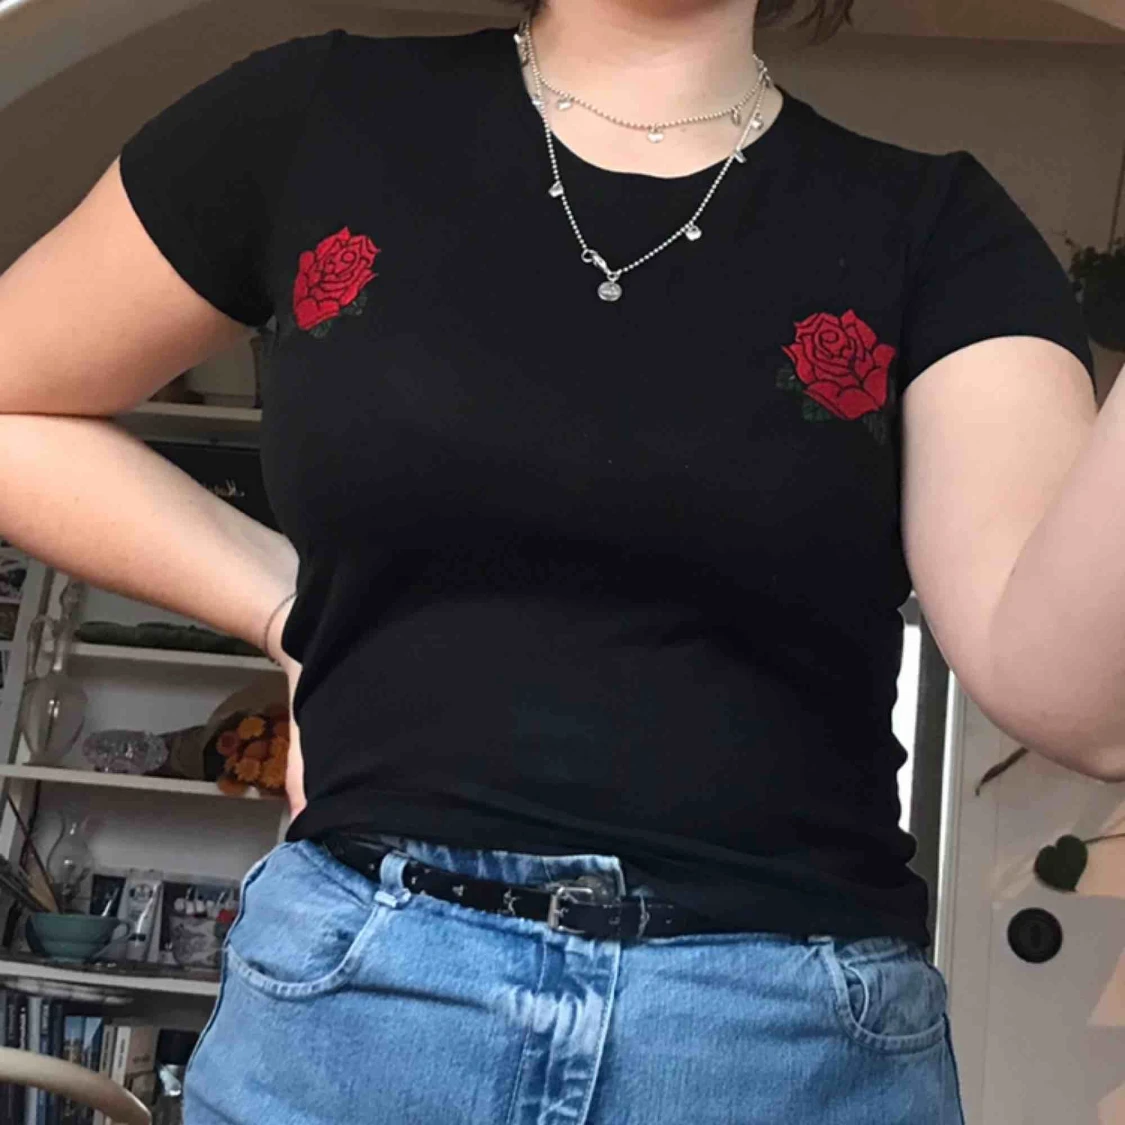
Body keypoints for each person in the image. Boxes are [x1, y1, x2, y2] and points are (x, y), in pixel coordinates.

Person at [1, 0, 1122, 1120]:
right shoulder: (310, 116)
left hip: (783, 1048)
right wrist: (279, 607)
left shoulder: (941, 230)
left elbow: (1079, 703)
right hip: (356, 1015)